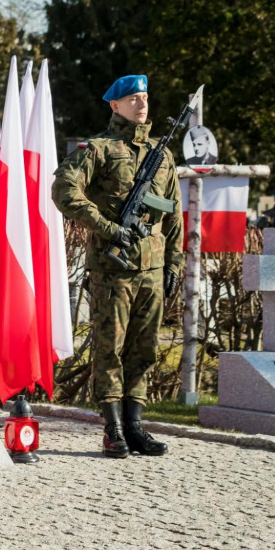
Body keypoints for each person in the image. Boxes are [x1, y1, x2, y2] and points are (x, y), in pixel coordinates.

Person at [52, 74, 183, 459]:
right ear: (115, 105)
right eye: (133, 99)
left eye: (144, 97)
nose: (142, 104)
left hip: (153, 271)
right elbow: (63, 189)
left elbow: (173, 215)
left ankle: (136, 426)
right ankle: (113, 430)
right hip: (113, 270)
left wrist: (174, 263)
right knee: (110, 350)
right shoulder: (98, 149)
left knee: (144, 350)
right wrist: (107, 228)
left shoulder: (163, 154)